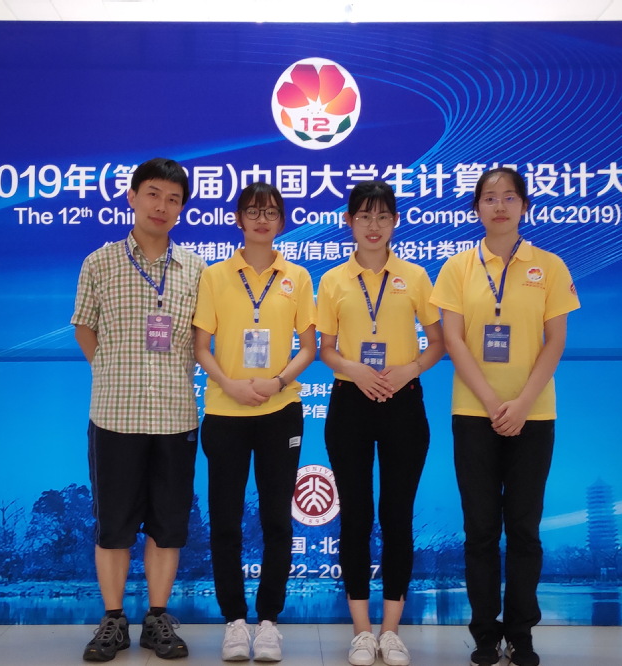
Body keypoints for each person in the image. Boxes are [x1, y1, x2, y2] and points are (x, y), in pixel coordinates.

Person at [430, 167, 580, 666]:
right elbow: (453, 341)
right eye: (489, 198)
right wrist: (495, 404)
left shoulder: (549, 267)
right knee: (479, 530)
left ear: (524, 206)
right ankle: (484, 635)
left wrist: (522, 404)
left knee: (524, 528)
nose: (499, 206)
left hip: (534, 416)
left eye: (509, 197)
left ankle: (521, 633)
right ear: (476, 207)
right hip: (474, 413)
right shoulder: (457, 267)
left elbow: (555, 341)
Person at [72, 158, 205, 662]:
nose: (161, 206)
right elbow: (84, 326)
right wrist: (110, 369)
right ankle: (112, 620)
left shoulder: (195, 268)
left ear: (182, 208)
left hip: (175, 415)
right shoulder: (99, 262)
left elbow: (202, 338)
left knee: (168, 526)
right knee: (114, 526)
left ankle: (157, 619)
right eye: (153, 194)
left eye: (173, 199)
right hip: (115, 415)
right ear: (132, 197)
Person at [316, 180, 445, 666]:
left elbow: (438, 342)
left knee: (397, 516)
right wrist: (357, 370)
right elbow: (326, 349)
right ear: (349, 222)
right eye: (364, 216)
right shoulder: (333, 280)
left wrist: (409, 369)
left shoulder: (415, 276)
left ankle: (391, 631)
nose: (374, 226)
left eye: (383, 216)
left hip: (403, 402)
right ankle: (361, 631)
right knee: (355, 516)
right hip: (351, 401)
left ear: (395, 222)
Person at [192, 182, 316, 663]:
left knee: (275, 519)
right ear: (238, 219)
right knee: (225, 520)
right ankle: (234, 622)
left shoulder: (297, 277)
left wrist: (278, 381)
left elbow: (308, 346)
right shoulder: (215, 275)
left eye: (270, 212)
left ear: (281, 221)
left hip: (279, 411)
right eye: (253, 211)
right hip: (225, 411)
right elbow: (201, 346)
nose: (262, 220)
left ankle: (268, 623)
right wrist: (230, 384)